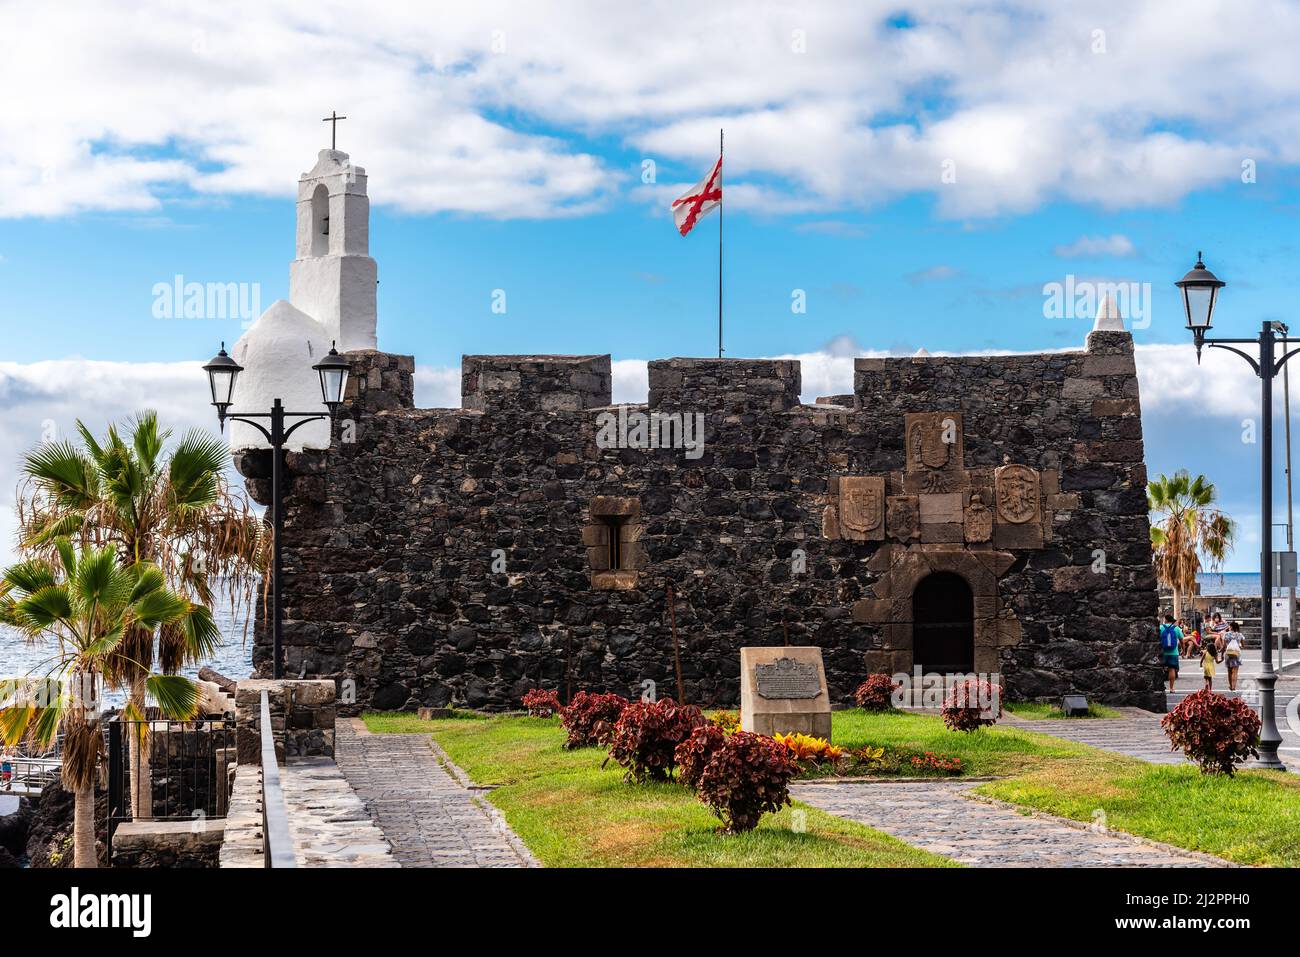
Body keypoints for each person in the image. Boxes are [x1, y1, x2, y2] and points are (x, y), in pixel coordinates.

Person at [1159, 614, 1183, 693]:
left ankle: (1160, 687)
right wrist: (1183, 649)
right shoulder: (1176, 628)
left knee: (1160, 669)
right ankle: (1171, 688)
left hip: (1162, 652)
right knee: (1172, 669)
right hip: (1173, 652)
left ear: (1165, 619)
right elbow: (1181, 640)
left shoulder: (1161, 627)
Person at [1224, 621, 1244, 691]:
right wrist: (1240, 646)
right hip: (1236, 654)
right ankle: (1233, 687)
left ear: (1231, 627)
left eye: (1229, 626)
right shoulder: (1239, 635)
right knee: (1235, 672)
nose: (1228, 627)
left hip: (1228, 654)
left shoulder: (1226, 634)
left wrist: (1221, 651)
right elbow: (1242, 645)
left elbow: (1224, 645)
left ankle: (1230, 686)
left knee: (1229, 671)